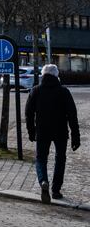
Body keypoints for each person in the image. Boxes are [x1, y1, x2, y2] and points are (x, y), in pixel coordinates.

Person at [25, 64, 80, 204]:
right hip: (61, 131)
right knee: (60, 159)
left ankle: (43, 181)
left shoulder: (35, 91)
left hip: (42, 131)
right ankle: (56, 190)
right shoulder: (64, 91)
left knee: (41, 159)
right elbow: (72, 115)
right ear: (56, 76)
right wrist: (76, 137)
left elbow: (28, 113)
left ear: (43, 75)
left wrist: (31, 132)